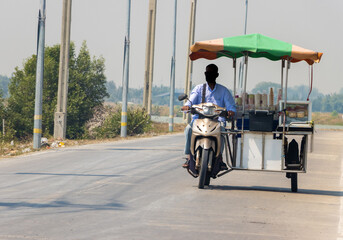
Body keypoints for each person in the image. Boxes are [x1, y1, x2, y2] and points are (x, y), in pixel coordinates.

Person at [181, 63, 236, 170]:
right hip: (199, 121)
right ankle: (188, 156)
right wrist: (187, 106)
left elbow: (231, 106)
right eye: (207, 73)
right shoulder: (199, 88)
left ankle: (219, 158)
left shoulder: (223, 91)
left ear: (217, 75)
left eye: (211, 73)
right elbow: (191, 100)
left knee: (223, 132)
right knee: (188, 129)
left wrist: (230, 111)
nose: (209, 75)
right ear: (205, 74)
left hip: (217, 121)